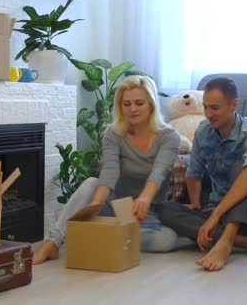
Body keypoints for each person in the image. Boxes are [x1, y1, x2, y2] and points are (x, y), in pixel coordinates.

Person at [32, 75, 181, 265]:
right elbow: (110, 172)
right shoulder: (113, 133)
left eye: (139, 103)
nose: (132, 109)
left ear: (151, 103)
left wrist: (144, 198)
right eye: (126, 104)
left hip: (143, 212)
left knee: (167, 240)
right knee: (91, 183)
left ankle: (102, 234)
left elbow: (159, 171)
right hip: (114, 204)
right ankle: (53, 242)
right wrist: (94, 206)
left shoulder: (169, 136)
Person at [157, 77, 247, 271]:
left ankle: (227, 240)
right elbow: (193, 172)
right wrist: (196, 203)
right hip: (216, 213)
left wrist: (215, 216)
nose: (209, 114)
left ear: (234, 104)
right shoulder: (204, 130)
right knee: (164, 208)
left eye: (215, 108)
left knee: (243, 168)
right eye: (206, 107)